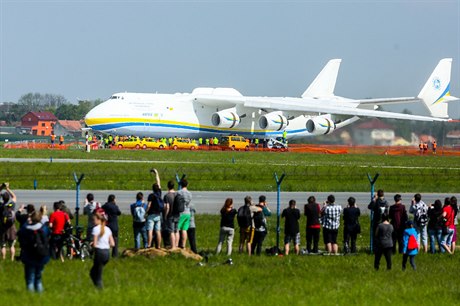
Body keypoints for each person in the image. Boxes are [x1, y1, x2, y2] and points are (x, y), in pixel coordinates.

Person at [17, 211, 51, 293]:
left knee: (30, 278)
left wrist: (27, 222)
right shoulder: (44, 228)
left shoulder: (26, 229)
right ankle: (39, 295)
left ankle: (30, 297)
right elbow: (48, 237)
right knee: (38, 278)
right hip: (41, 256)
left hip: (29, 256)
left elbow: (19, 234)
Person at [90, 208, 115, 289]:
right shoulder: (108, 229)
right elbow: (112, 244)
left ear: (98, 220)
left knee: (96, 274)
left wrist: (92, 244)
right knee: (94, 272)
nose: (93, 222)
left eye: (94, 220)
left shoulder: (95, 229)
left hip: (99, 253)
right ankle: (97, 288)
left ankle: (100, 290)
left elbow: (95, 244)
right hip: (107, 253)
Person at [146, 169, 163, 249]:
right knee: (158, 231)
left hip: (151, 214)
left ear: (152, 189)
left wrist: (146, 212)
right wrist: (156, 173)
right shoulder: (159, 193)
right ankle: (158, 246)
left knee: (150, 230)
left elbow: (149, 205)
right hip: (158, 214)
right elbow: (158, 182)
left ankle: (149, 245)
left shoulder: (151, 196)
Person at [177, 179, 192, 249]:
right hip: (188, 212)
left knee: (177, 229)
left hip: (181, 213)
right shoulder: (189, 193)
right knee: (184, 230)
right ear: (187, 184)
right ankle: (183, 245)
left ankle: (176, 244)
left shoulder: (179, 192)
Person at [163, 181, 178, 249]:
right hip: (177, 214)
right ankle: (177, 245)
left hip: (171, 215)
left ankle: (173, 246)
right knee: (176, 230)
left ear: (168, 186)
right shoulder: (177, 194)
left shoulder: (167, 196)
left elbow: (167, 207)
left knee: (171, 231)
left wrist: (165, 215)